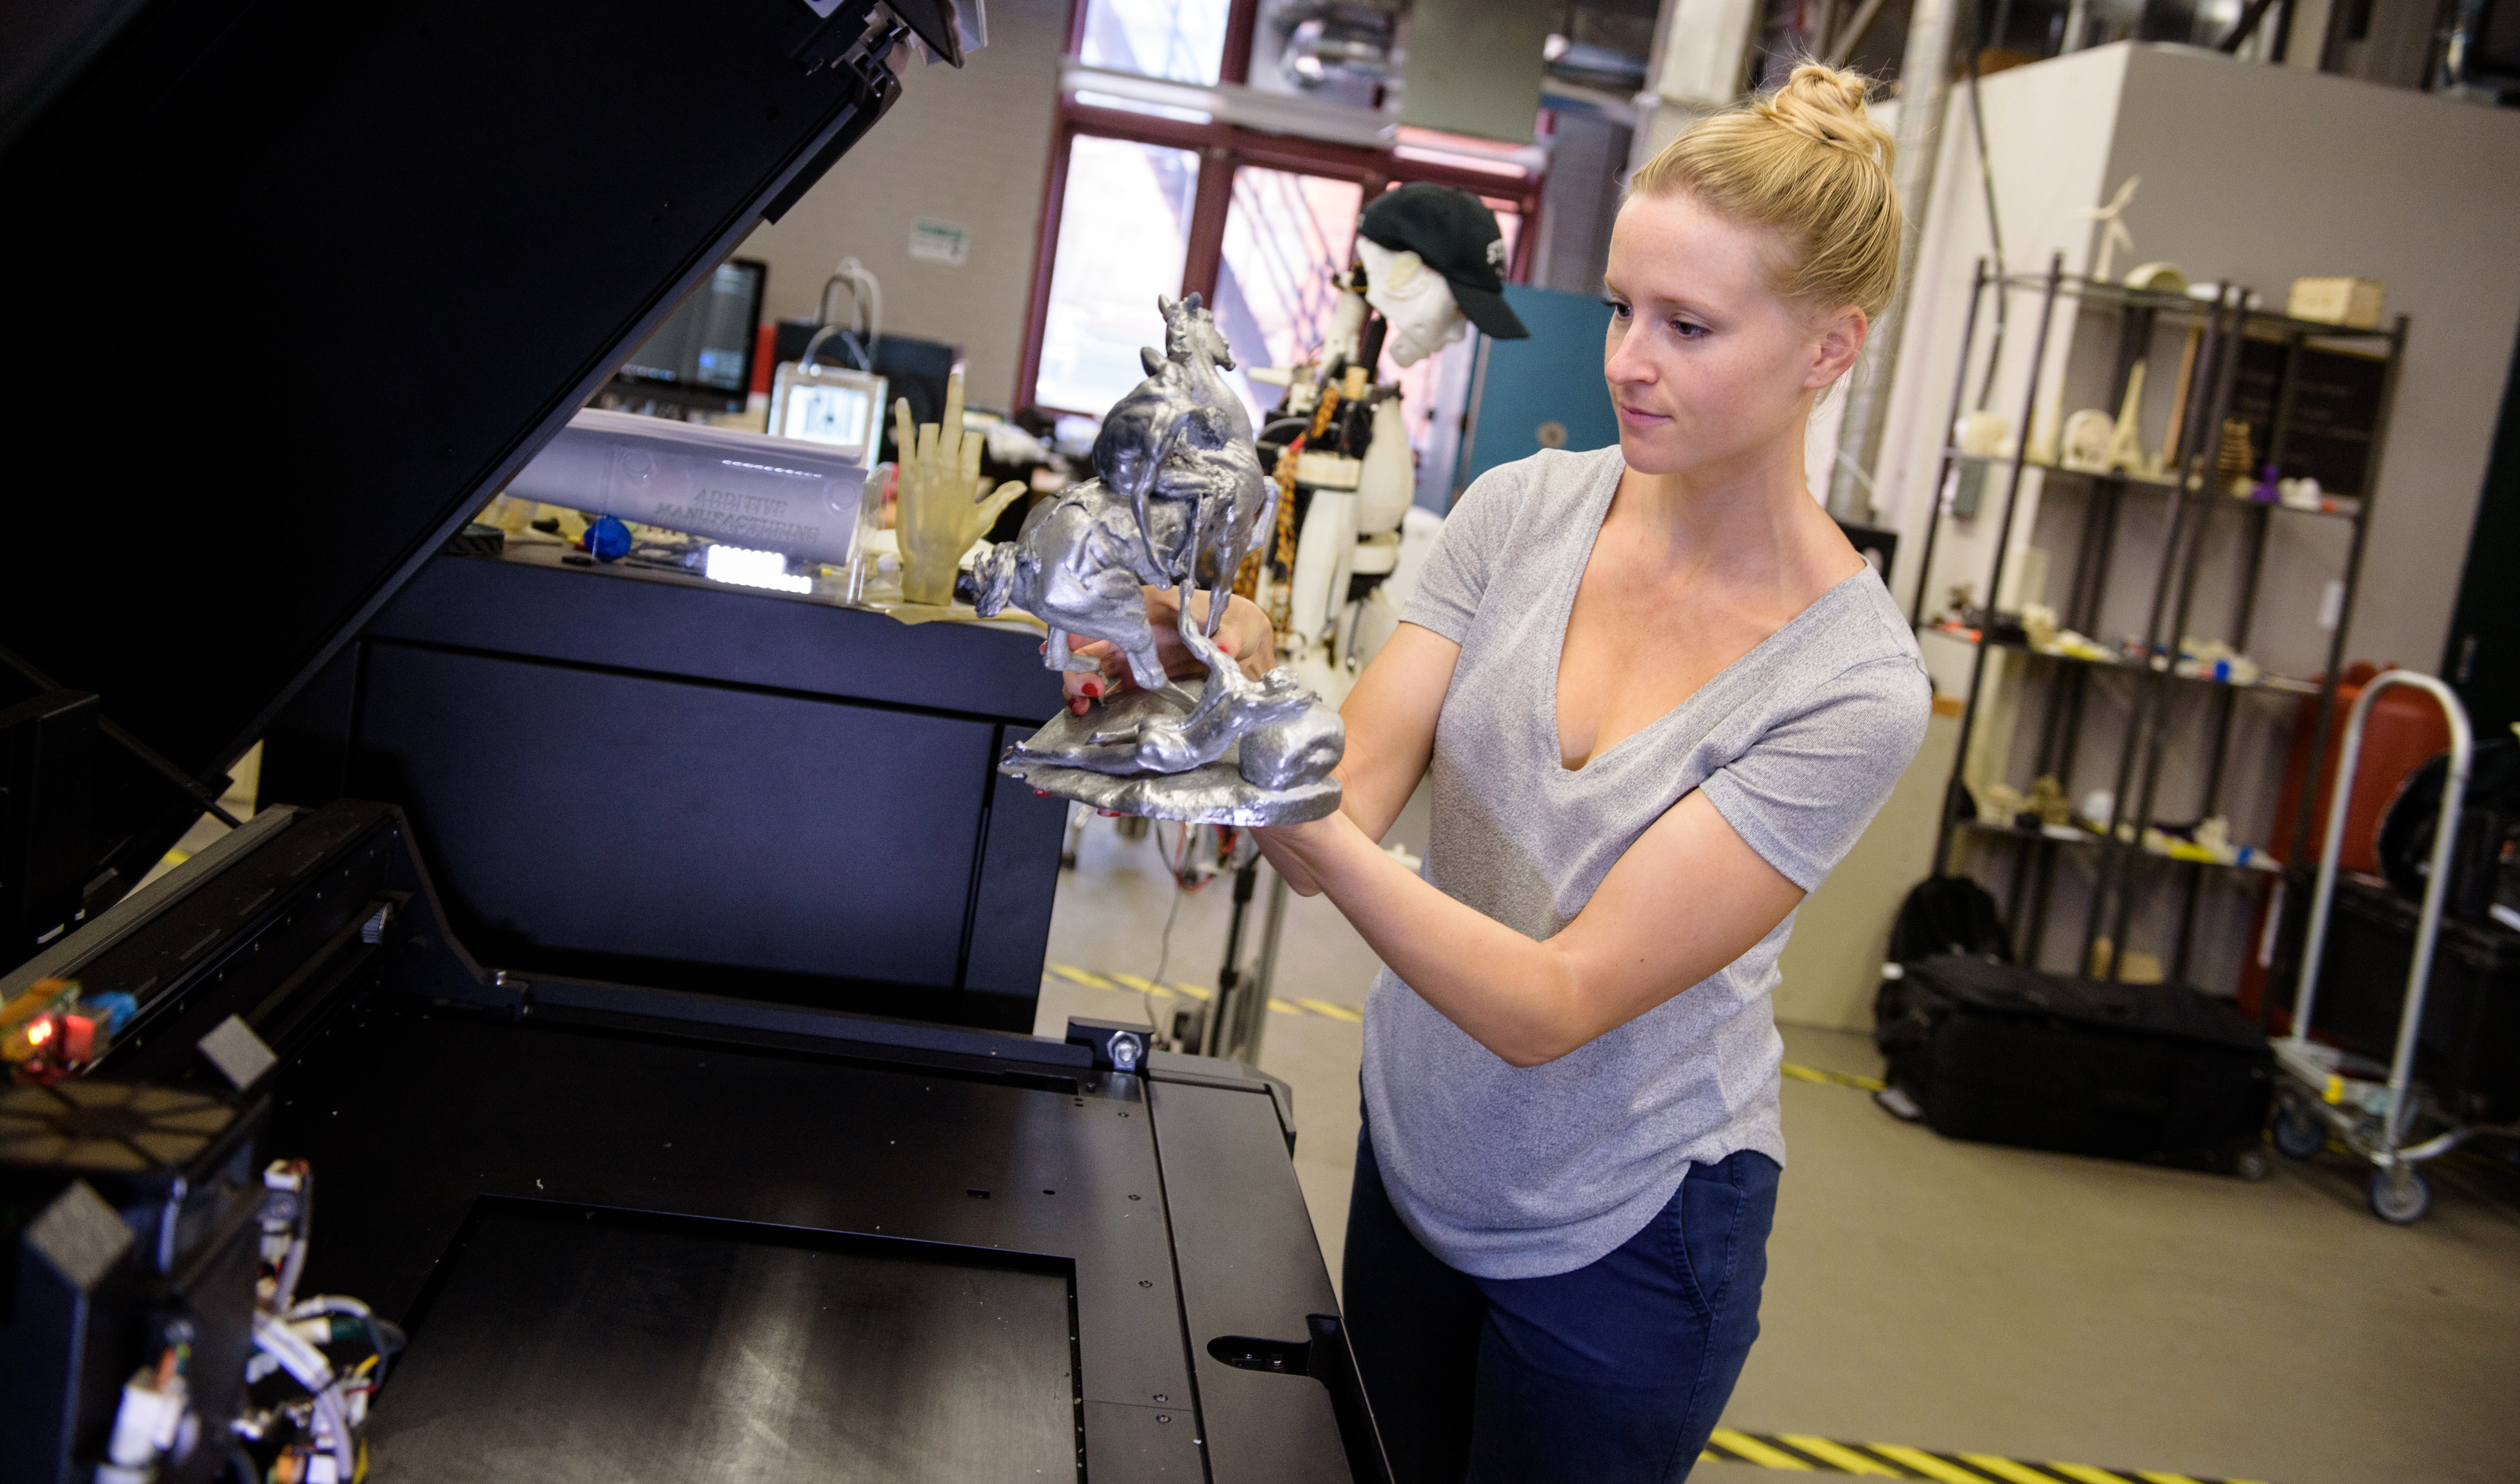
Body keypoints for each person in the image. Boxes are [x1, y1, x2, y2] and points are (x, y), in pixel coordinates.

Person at [1062, 61, 1929, 1484]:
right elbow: (1356, 782)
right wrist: (1225, 673)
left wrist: (1278, 791)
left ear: (1829, 352)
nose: (1627, 362)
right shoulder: (1518, 512)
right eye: (1624, 310)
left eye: (1689, 327)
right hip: (1419, 1160)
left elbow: (1556, 1004)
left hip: (1628, 1229)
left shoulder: (1852, 687)